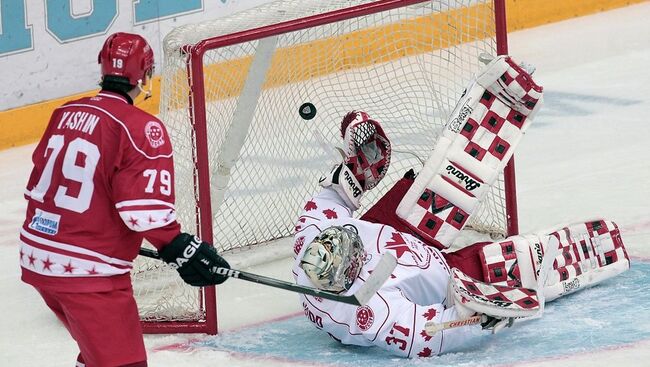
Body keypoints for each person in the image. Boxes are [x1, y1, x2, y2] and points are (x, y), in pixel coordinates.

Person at [292, 107, 630, 358]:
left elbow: (335, 194)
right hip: (441, 284)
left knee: (432, 190)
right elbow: (429, 336)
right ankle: (488, 274)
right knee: (506, 264)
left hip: (394, 234)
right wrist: (474, 318)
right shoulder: (370, 313)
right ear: (352, 272)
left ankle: (401, 202)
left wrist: (354, 171)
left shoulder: (315, 230)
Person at [19, 32, 230, 367]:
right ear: (145, 76)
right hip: (87, 274)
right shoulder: (141, 127)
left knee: (97, 356)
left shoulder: (64, 112)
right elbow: (143, 211)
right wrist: (182, 248)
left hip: (37, 257)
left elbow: (42, 184)